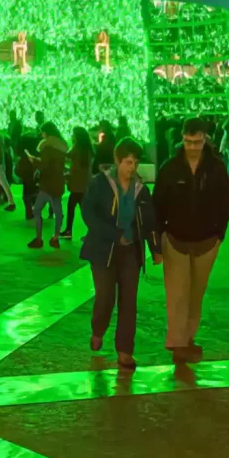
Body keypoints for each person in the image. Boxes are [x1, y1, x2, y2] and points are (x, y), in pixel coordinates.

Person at [153, 116, 229, 364]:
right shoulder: (169, 167)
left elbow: (225, 202)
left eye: (197, 142)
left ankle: (187, 339)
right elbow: (157, 206)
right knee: (176, 295)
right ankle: (177, 343)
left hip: (207, 242)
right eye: (188, 142)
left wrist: (220, 235)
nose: (192, 147)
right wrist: (157, 241)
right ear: (182, 139)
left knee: (196, 295)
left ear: (205, 139)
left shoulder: (216, 168)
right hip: (175, 239)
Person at [81, 137, 161, 370]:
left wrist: (155, 248)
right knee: (105, 298)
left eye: (135, 162)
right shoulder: (100, 184)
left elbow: (150, 221)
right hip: (103, 250)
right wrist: (109, 233)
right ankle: (98, 330)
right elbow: (88, 212)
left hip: (130, 252)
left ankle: (125, 351)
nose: (132, 167)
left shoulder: (140, 190)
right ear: (117, 161)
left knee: (129, 302)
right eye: (128, 162)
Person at [28, 122, 68, 248]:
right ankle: (55, 237)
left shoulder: (47, 147)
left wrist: (34, 161)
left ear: (46, 132)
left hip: (48, 182)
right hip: (58, 181)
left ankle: (38, 238)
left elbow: (44, 165)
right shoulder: (62, 145)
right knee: (58, 209)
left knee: (37, 209)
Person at [61, 126, 93, 240]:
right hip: (84, 183)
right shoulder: (87, 148)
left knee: (75, 207)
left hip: (77, 183)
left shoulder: (77, 148)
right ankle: (91, 232)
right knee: (81, 208)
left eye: (73, 134)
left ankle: (70, 231)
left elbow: (68, 157)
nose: (72, 136)